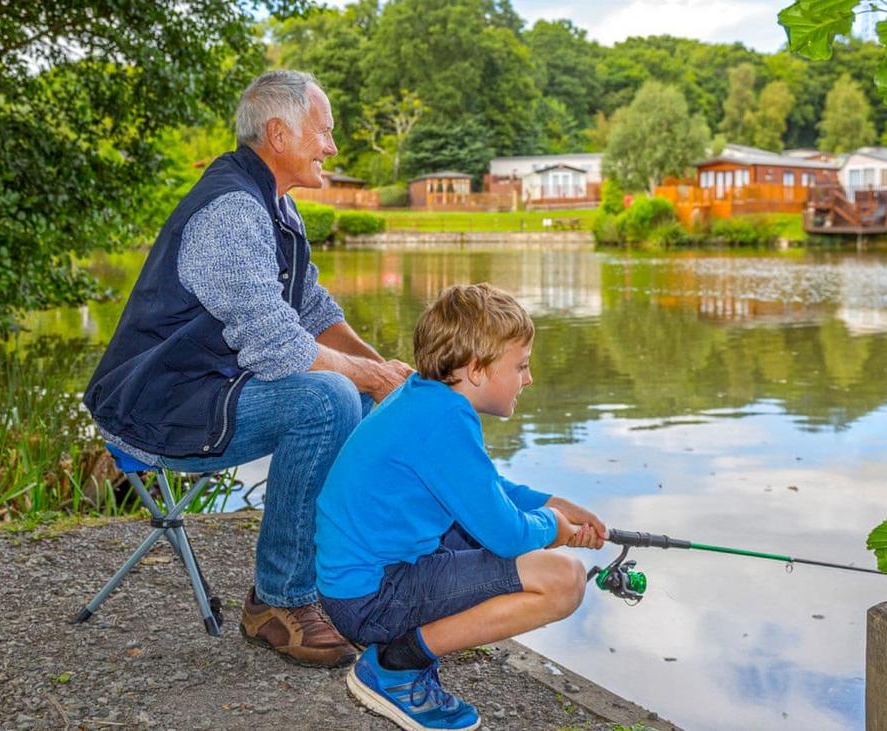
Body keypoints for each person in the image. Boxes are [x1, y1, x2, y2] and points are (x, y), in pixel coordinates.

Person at [83, 69, 412, 668]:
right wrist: (361, 378)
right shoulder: (233, 209)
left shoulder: (276, 205)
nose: (333, 148)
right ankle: (277, 603)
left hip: (208, 392)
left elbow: (311, 309)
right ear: (280, 133)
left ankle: (337, 581)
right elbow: (275, 344)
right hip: (157, 406)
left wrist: (384, 371)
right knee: (330, 400)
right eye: (325, 132)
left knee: (359, 397)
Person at [315, 283, 607, 730]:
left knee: (497, 538)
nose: (528, 379)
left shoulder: (424, 398)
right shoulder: (445, 422)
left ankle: (400, 654)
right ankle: (396, 665)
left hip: (357, 584)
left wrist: (553, 503)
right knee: (563, 580)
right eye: (521, 366)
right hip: (371, 597)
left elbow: (481, 488)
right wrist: (554, 526)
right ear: (476, 369)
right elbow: (507, 535)